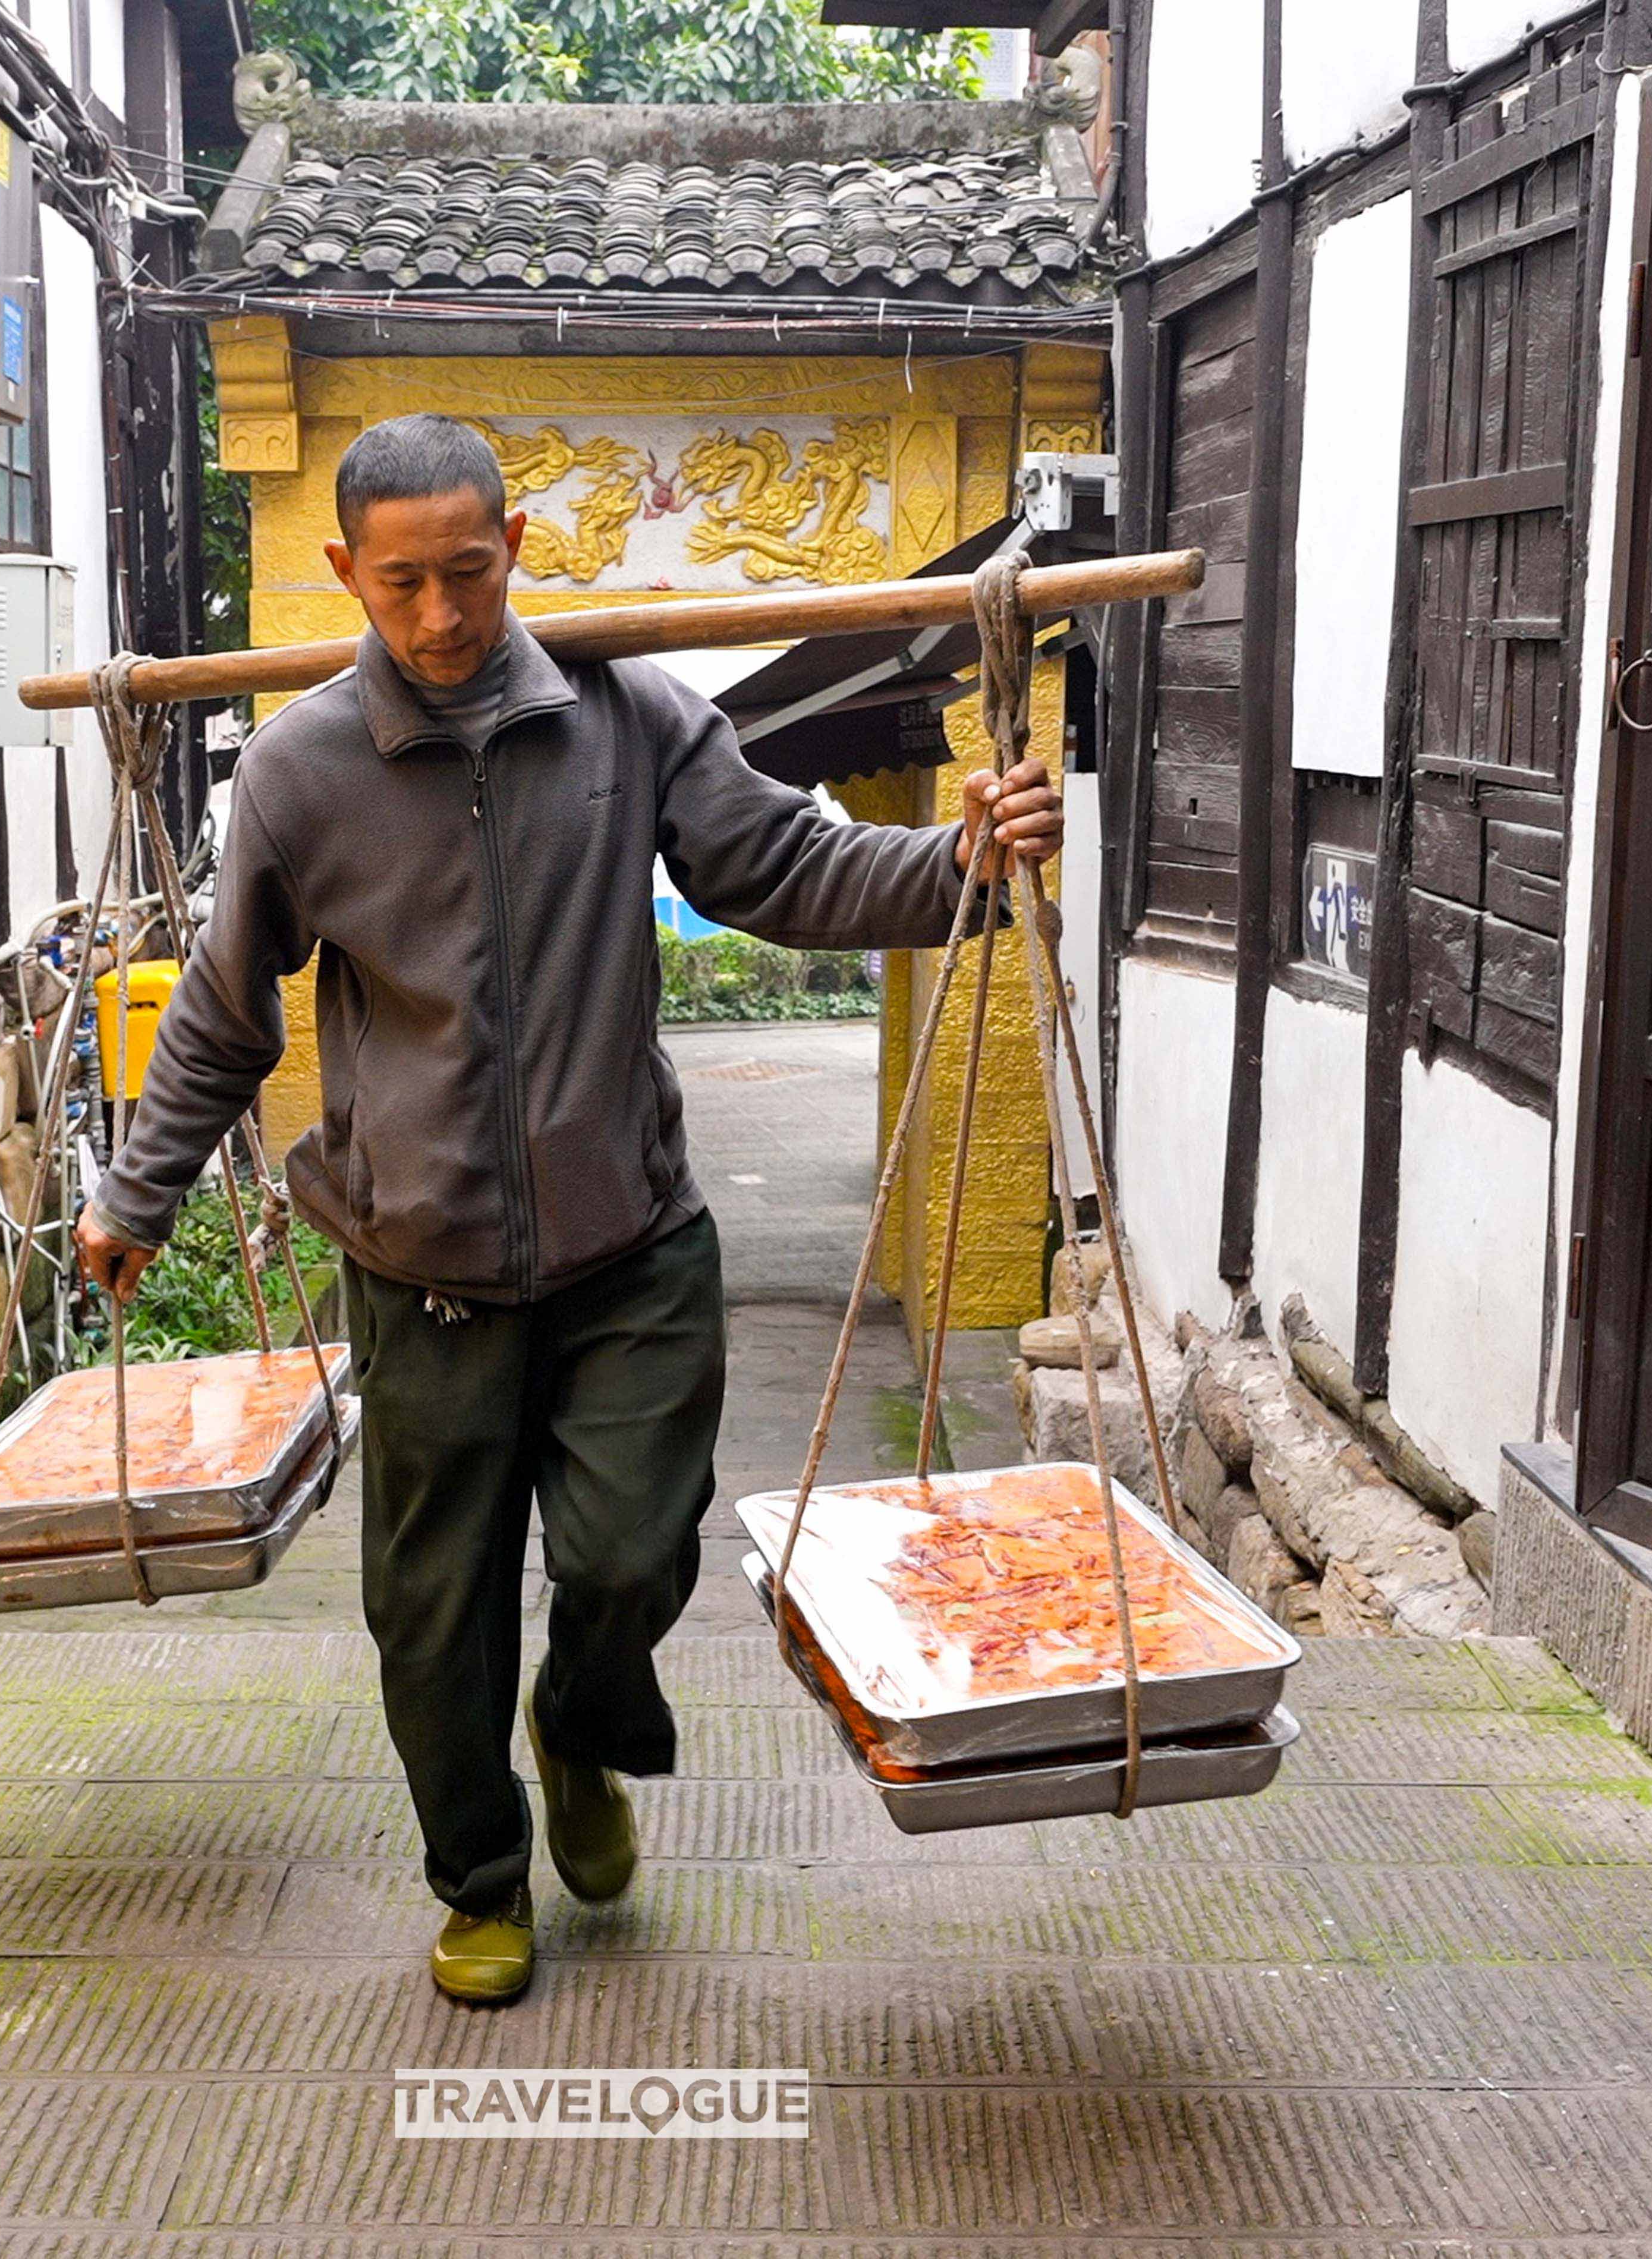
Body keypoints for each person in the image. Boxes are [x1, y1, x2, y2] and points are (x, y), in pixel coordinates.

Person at [75, 411, 1061, 2004]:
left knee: (626, 1558)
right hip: (421, 1267)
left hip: (629, 1250)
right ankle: (477, 1876)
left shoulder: (628, 717)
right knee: (431, 1614)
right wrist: (140, 1188)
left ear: (515, 545)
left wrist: (952, 867)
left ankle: (585, 1726)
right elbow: (220, 1010)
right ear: (347, 574)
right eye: (403, 585)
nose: (445, 614)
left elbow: (785, 872)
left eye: (470, 572)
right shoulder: (299, 771)